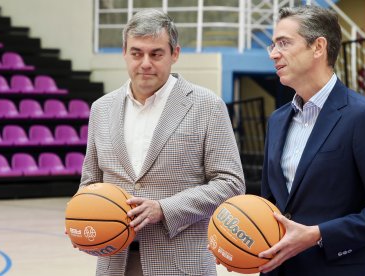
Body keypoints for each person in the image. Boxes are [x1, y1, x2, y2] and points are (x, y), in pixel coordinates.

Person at [79, 9, 245, 276]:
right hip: (114, 263)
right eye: (136, 53)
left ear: (174, 54)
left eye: (156, 54)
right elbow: (90, 182)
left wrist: (164, 209)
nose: (145, 63)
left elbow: (231, 184)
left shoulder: (207, 106)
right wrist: (82, 214)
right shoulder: (101, 108)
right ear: (124, 52)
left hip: (180, 264)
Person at [258, 5, 365, 276]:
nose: (273, 53)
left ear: (318, 47)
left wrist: (317, 235)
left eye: (283, 43)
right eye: (272, 45)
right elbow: (270, 205)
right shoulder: (277, 120)